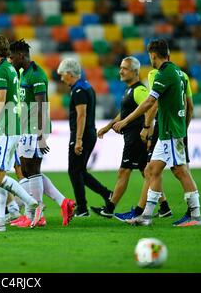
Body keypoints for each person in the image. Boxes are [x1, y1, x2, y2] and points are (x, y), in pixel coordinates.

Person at [113, 39, 201, 227]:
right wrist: (183, 127)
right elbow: (188, 105)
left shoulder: (164, 74)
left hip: (170, 130)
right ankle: (145, 216)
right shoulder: (179, 72)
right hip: (168, 130)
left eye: (150, 56)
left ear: (153, 55)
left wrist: (125, 120)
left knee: (180, 171)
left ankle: (195, 216)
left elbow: (148, 103)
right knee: (151, 170)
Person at [0, 35, 42, 232]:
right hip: (10, 127)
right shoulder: (9, 68)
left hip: (5, 128)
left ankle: (30, 201)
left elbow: (1, 100)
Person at [9, 39, 76, 227]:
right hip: (26, 128)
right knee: (29, 170)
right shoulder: (25, 73)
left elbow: (41, 106)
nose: (11, 60)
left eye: (12, 57)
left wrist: (40, 136)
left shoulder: (37, 75)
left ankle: (37, 213)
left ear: (21, 55)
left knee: (32, 170)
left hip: (34, 128)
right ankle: (64, 202)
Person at [91, 57, 149, 218]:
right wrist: (108, 127)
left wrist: (146, 128)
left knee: (124, 171)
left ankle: (109, 209)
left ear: (135, 72)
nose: (120, 71)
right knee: (148, 172)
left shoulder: (139, 90)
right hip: (132, 136)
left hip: (136, 137)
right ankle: (164, 206)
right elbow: (124, 114)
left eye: (124, 68)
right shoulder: (129, 90)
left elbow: (151, 107)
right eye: (120, 68)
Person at [57, 58, 112, 217]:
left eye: (62, 75)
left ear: (69, 73)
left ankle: (83, 208)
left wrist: (78, 139)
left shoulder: (79, 90)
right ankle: (105, 196)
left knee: (74, 171)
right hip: (89, 133)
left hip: (82, 135)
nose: (61, 78)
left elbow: (81, 115)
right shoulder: (87, 87)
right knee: (79, 171)